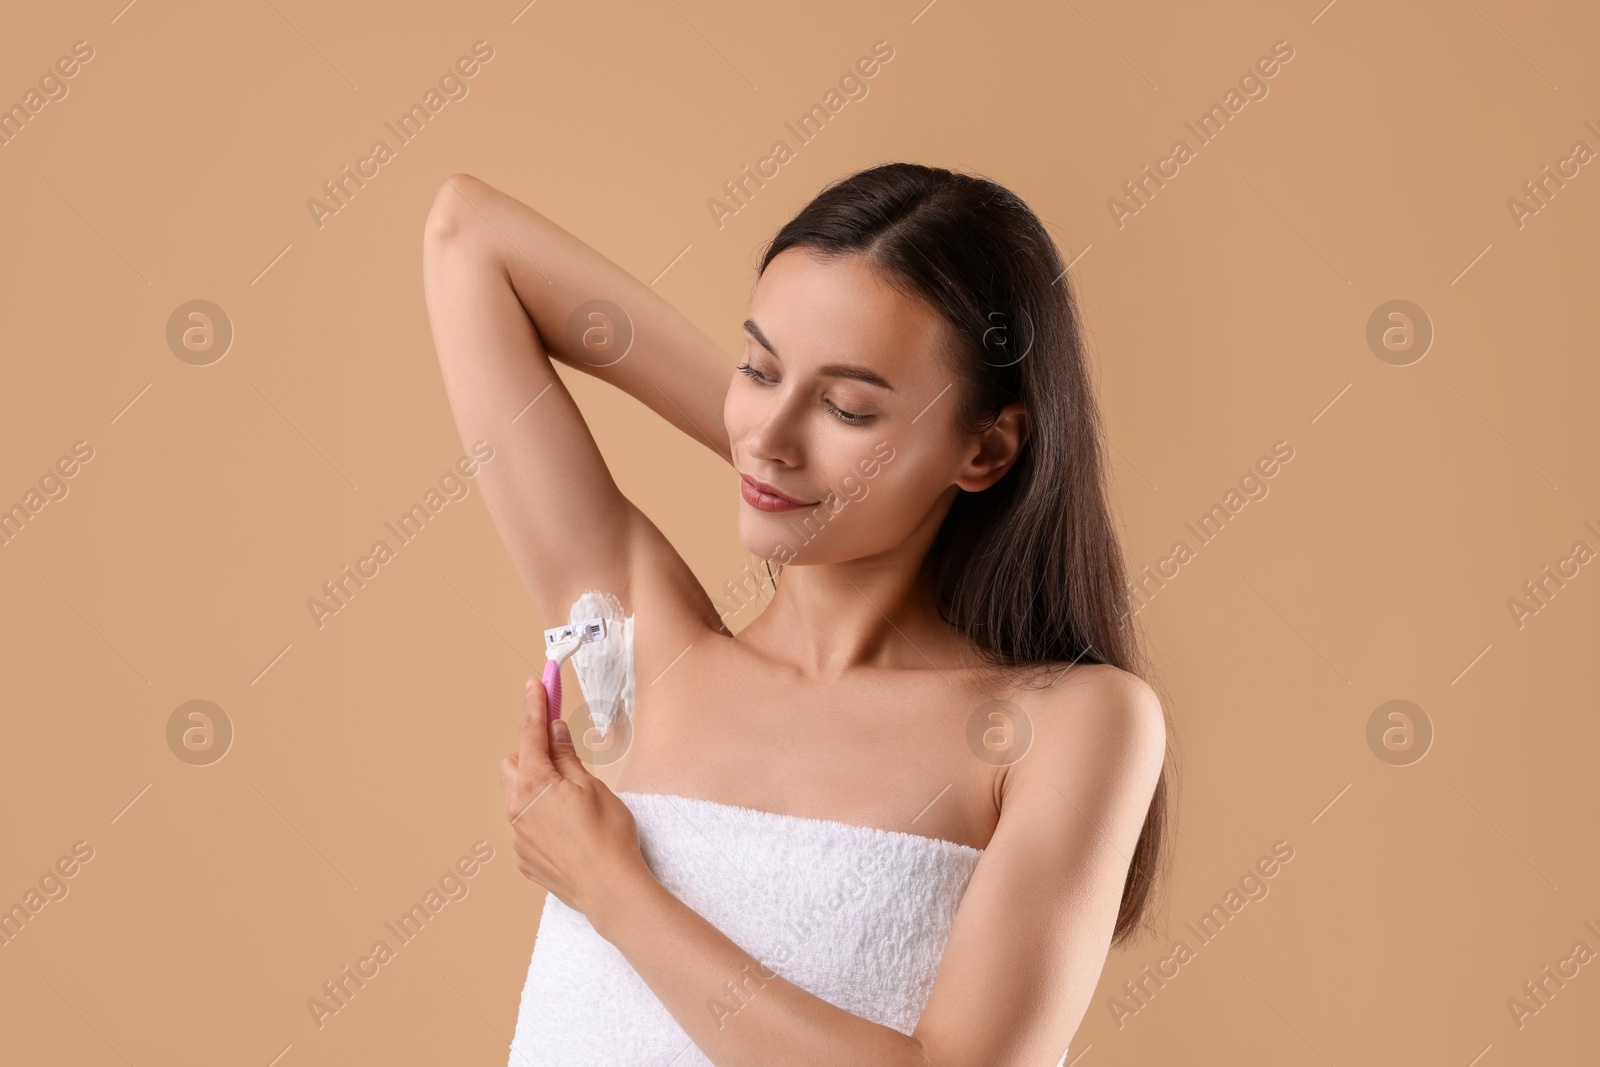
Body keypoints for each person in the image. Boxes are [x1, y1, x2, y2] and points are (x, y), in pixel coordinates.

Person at [422, 161, 1171, 1066]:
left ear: (987, 448)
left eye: (849, 405)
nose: (772, 432)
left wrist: (613, 888)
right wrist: (779, 453)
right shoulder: (640, 644)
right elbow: (469, 239)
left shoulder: (1072, 723)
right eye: (758, 367)